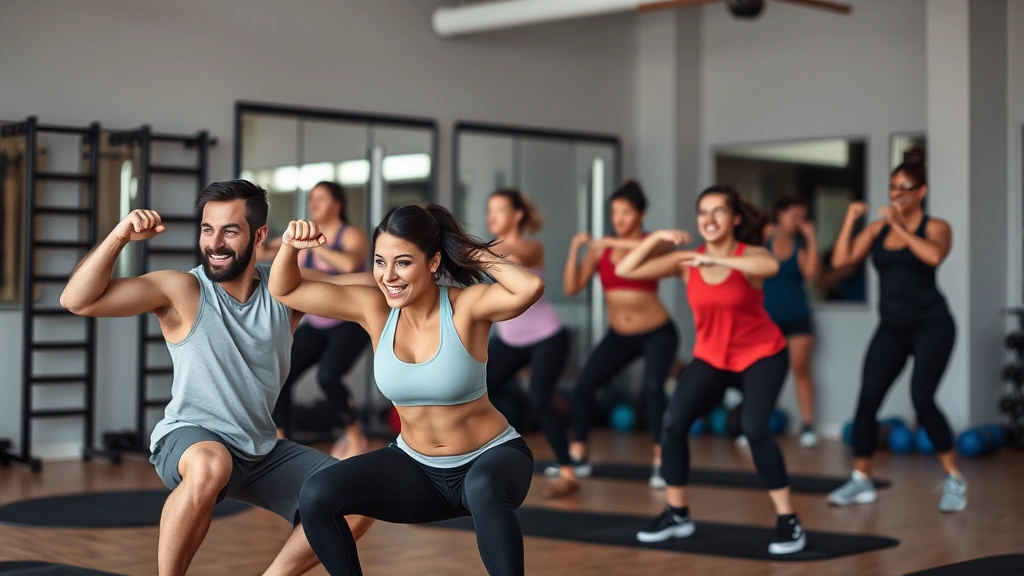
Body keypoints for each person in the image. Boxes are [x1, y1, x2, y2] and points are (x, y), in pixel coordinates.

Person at [59, 180, 372, 576]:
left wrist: (441, 268)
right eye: (208, 229)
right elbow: (76, 300)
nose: (215, 243)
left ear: (259, 235)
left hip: (258, 448)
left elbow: (373, 284)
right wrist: (119, 236)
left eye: (230, 230)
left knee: (358, 495)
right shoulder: (183, 290)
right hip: (192, 439)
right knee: (211, 464)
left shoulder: (284, 292)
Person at [271, 204, 544, 576]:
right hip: (416, 468)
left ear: (433, 263)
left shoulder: (467, 307)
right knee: (317, 493)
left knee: (482, 486)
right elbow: (285, 289)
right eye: (380, 262)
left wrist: (470, 253)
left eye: (403, 263)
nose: (388, 276)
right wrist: (290, 246)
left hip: (491, 459)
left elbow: (530, 287)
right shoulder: (374, 309)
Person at [617, 185, 806, 555]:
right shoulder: (688, 261)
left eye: (718, 211)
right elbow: (627, 268)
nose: (709, 219)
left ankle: (789, 521)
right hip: (712, 357)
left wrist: (720, 262)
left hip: (762, 354)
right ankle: (677, 513)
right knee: (673, 423)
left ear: (735, 218)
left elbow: (770, 266)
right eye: (703, 212)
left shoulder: (748, 256)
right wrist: (654, 238)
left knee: (754, 428)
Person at [827, 162, 965, 512]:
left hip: (932, 325)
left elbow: (933, 256)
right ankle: (861, 480)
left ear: (922, 192)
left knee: (922, 397)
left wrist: (898, 227)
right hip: (891, 327)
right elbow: (841, 259)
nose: (897, 194)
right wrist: (850, 219)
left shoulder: (936, 227)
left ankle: (953, 478)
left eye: (905, 187)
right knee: (868, 399)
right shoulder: (876, 230)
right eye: (893, 187)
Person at [561, 181, 679, 489]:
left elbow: (663, 246)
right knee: (585, 385)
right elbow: (571, 287)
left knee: (653, 388)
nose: (619, 219)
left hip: (657, 333)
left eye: (625, 212)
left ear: (640, 214)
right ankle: (579, 455)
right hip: (620, 335)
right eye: (614, 212)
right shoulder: (602, 250)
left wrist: (607, 243)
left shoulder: (655, 243)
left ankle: (661, 460)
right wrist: (577, 249)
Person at [258, 181, 371, 459]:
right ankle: (282, 440)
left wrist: (312, 246)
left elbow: (347, 265)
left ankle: (355, 435)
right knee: (280, 374)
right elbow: (262, 254)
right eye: (312, 199)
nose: (314, 204)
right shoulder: (304, 238)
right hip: (318, 325)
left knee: (328, 376)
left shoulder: (352, 235)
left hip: (350, 323)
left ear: (337, 204)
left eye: (321, 198)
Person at [485, 189, 578, 498]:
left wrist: (478, 249)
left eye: (499, 210)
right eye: (490, 211)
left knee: (540, 397)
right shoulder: (490, 249)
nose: (492, 217)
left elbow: (516, 256)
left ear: (518, 215)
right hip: (510, 340)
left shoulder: (531, 247)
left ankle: (567, 471)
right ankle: (481, 456)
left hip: (546, 336)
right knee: (478, 389)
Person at [762, 193, 819, 448]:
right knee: (761, 373)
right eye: (794, 215)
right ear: (780, 215)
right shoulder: (763, 242)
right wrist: (760, 239)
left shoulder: (801, 248)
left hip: (797, 317)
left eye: (803, 217)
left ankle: (807, 425)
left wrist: (811, 238)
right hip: (765, 320)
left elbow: (812, 275)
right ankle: (756, 423)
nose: (798, 221)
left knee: (799, 368)